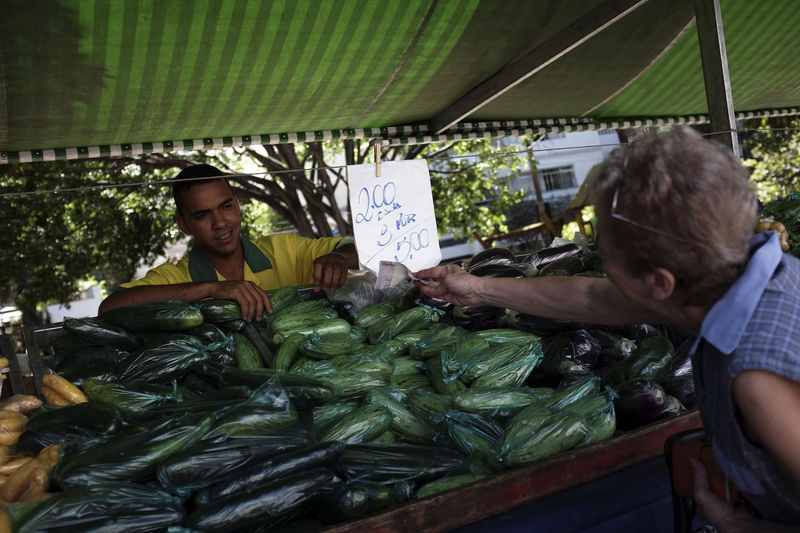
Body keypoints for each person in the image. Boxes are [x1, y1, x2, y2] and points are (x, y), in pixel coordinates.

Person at [415, 127, 800, 531]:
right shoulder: (748, 277)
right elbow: (592, 299)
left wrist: (736, 525)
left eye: (606, 248)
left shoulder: (757, 373)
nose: (596, 251)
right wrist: (476, 288)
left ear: (659, 283)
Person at [99, 164, 359, 321]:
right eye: (202, 215)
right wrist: (210, 289)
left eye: (225, 207)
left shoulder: (285, 250)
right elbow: (110, 307)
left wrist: (340, 258)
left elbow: (358, 247)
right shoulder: (175, 276)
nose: (220, 222)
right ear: (184, 225)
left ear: (237, 205)